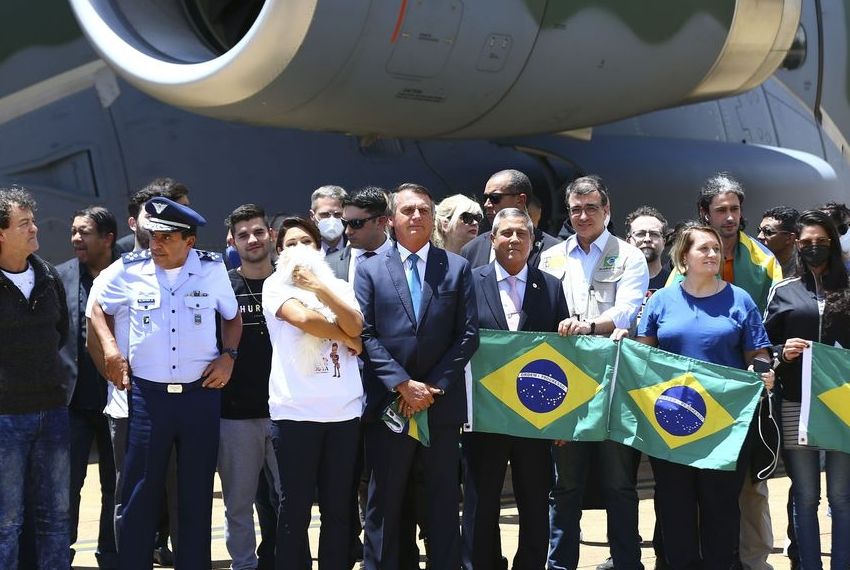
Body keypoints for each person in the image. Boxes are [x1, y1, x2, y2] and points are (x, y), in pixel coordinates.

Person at [90, 196, 241, 569]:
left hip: (198, 397)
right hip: (148, 398)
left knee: (195, 492)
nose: (155, 244)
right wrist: (111, 350)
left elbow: (232, 317)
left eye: (165, 238)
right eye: (152, 235)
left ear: (189, 241)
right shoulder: (128, 269)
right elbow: (97, 308)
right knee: (139, 493)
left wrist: (229, 357)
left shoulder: (212, 269)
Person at [636, 222, 775, 569]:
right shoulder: (660, 302)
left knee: (721, 510)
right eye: (704, 248)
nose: (713, 254)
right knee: (675, 509)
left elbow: (757, 355)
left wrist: (762, 373)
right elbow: (643, 359)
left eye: (716, 248)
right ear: (684, 257)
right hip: (670, 427)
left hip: (723, 429)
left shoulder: (739, 299)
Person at [355, 183, 479, 570]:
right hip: (390, 405)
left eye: (424, 210)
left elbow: (468, 334)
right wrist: (403, 385)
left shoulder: (456, 268)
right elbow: (365, 332)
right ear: (390, 219)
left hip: (439, 410)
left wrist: (433, 387)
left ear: (434, 218)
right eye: (407, 210)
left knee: (442, 504)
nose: (416, 217)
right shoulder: (369, 269)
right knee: (385, 504)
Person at [539, 175, 649, 570]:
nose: (582, 215)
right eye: (575, 209)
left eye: (591, 208)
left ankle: (626, 562)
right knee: (564, 484)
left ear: (607, 210)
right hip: (564, 383)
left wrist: (589, 326)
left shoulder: (629, 255)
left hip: (614, 381)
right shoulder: (551, 257)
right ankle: (560, 564)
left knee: (619, 481)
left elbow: (629, 309)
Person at [462, 208, 569, 570]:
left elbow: (562, 356)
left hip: (534, 417)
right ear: (492, 240)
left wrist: (560, 418)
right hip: (485, 415)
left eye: (521, 234)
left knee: (535, 500)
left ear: (532, 240)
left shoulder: (551, 286)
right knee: (481, 501)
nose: (513, 240)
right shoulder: (469, 281)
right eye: (505, 233)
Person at [262, 216, 364, 569]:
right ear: (279, 251)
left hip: (344, 413)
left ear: (319, 248)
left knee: (339, 506)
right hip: (295, 413)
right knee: (295, 506)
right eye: (290, 243)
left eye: (307, 241)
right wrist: (346, 337)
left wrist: (321, 290)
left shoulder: (341, 287)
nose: (299, 249)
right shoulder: (275, 286)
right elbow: (303, 320)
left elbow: (356, 324)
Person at [693, 173, 783, 570]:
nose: (730, 217)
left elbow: (776, 322)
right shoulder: (690, 258)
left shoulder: (764, 260)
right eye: (721, 210)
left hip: (750, 390)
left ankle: (755, 561)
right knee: (700, 484)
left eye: (735, 209)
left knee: (752, 484)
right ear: (704, 213)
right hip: (699, 391)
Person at [763, 210, 850, 570]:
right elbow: (763, 344)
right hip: (796, 403)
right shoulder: (782, 290)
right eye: (808, 243)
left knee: (843, 496)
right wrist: (783, 351)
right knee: (805, 494)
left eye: (822, 242)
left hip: (841, 402)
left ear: (833, 242)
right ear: (797, 245)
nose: (815, 248)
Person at [0, 187, 70, 569]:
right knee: (6, 522)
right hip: (5, 418)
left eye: (32, 221)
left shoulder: (47, 275)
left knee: (55, 519)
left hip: (53, 414)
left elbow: (62, 333)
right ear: (1, 234)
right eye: (24, 223)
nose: (34, 229)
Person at [218, 204, 280, 570]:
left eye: (258, 232)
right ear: (232, 241)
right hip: (237, 414)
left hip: (287, 411)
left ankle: (286, 558)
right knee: (238, 503)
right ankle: (243, 565)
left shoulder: (289, 281)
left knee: (290, 499)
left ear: (271, 235)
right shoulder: (223, 286)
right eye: (243, 235)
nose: (252, 240)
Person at [56, 206, 118, 568]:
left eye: (85, 232)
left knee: (116, 485)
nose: (76, 238)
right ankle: (60, 553)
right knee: (66, 485)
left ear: (107, 238)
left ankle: (111, 554)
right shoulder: (59, 276)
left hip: (117, 400)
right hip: (72, 404)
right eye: (74, 231)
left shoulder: (129, 274)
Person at [461, 169, 560, 268]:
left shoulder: (554, 250)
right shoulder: (472, 249)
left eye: (494, 198)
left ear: (520, 200)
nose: (487, 204)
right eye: (485, 198)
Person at [326, 187, 393, 283]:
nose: (347, 231)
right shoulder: (328, 265)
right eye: (344, 223)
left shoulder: (405, 259)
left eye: (356, 223)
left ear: (380, 221)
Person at [115, 177, 190, 254]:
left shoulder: (197, 262)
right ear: (133, 223)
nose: (163, 226)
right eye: (151, 217)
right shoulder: (120, 266)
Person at [758, 207, 800, 278]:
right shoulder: (755, 263)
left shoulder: (804, 268)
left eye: (768, 232)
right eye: (759, 230)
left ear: (789, 238)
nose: (759, 236)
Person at [309, 185, 348, 255]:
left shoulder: (357, 248)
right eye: (325, 214)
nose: (332, 220)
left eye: (338, 214)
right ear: (312, 216)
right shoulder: (306, 251)